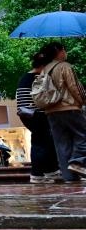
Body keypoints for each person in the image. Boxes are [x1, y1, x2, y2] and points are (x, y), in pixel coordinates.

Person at [37, 42, 86, 181]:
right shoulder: (65, 66)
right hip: (69, 108)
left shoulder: (45, 69)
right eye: (64, 49)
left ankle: (69, 177)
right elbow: (75, 88)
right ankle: (78, 161)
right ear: (59, 52)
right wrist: (82, 101)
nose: (66, 52)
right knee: (83, 135)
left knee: (62, 144)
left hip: (51, 111)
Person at [16, 52, 61, 184]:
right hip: (37, 114)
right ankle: (38, 174)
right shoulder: (39, 77)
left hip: (26, 114)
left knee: (43, 141)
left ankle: (48, 171)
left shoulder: (25, 77)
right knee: (41, 143)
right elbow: (44, 98)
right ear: (44, 65)